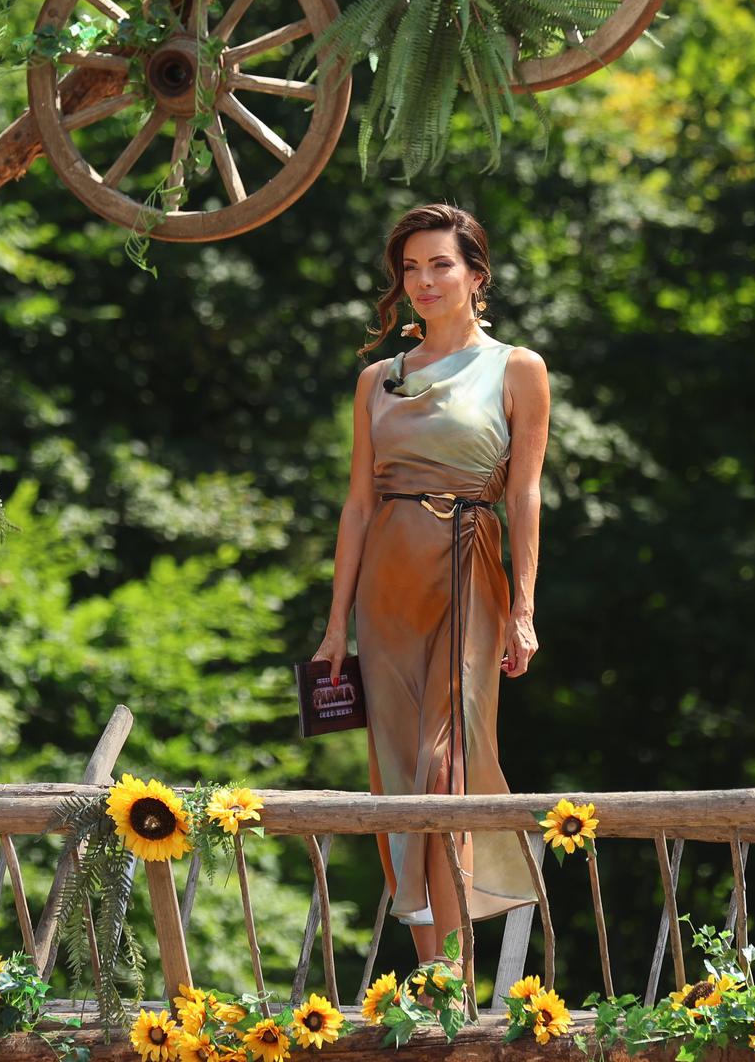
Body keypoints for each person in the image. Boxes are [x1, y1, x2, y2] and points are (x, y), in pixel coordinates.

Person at [310, 202, 550, 970]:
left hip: (467, 563)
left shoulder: (517, 368)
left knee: (447, 766)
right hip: (387, 580)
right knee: (398, 774)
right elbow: (357, 504)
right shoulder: (377, 380)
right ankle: (431, 978)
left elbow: (525, 495)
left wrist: (524, 609)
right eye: (410, 268)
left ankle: (457, 973)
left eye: (440, 264)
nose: (424, 280)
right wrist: (334, 627)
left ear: (477, 275)